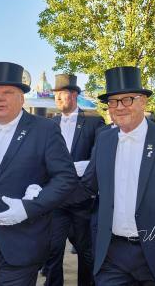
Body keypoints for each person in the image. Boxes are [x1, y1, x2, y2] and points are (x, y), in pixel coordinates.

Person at [0, 61, 78, 286]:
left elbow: (65, 178)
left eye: (8, 92)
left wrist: (29, 207)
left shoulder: (44, 130)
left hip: (23, 238)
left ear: (22, 98)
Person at [81, 66, 155, 285]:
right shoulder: (104, 140)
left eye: (127, 99)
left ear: (143, 102)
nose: (119, 107)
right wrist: (42, 191)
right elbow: (86, 187)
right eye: (113, 101)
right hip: (112, 256)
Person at [44, 74, 104, 286]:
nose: (58, 100)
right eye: (56, 96)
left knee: (85, 251)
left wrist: (83, 166)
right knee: (52, 250)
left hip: (83, 198)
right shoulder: (50, 123)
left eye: (62, 95)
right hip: (56, 199)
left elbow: (100, 157)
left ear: (74, 95)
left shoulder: (94, 121)